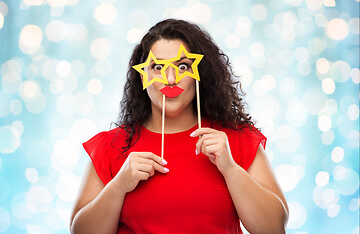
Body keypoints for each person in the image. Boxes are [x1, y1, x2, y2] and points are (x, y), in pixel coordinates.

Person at [70, 19, 289, 234]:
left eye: (182, 66)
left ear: (199, 74)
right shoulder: (111, 146)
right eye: (158, 67)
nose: (171, 79)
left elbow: (273, 228)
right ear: (142, 75)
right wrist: (118, 186)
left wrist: (230, 169)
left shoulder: (236, 140)